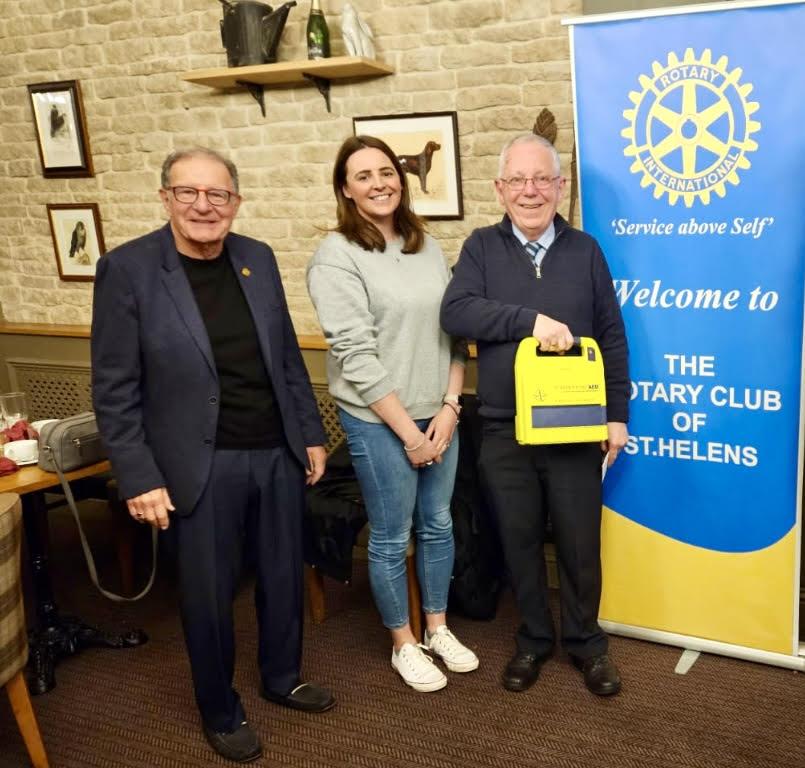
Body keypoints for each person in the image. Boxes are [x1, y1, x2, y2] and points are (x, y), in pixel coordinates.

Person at [91, 147, 335, 763]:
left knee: (283, 578)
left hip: (275, 450)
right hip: (196, 465)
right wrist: (138, 476)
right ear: (166, 197)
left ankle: (282, 678)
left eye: (218, 194)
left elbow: (284, 358)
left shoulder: (258, 257)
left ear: (236, 202)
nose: (204, 205)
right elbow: (113, 388)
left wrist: (309, 433)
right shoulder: (128, 269)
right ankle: (220, 710)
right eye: (189, 193)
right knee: (208, 594)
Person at [440, 134, 629, 697]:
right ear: (499, 189)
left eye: (542, 179)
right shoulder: (479, 248)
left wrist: (616, 415)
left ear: (560, 187)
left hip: (577, 428)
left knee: (578, 543)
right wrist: (531, 321)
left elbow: (612, 337)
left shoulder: (586, 251)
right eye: (518, 180)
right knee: (518, 540)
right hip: (503, 427)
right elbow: (456, 311)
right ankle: (532, 641)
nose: (530, 191)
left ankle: (587, 644)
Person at [306, 135, 479, 693]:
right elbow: (354, 355)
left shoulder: (423, 244)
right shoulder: (336, 256)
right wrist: (409, 434)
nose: (379, 182)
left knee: (439, 523)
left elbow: (456, 329)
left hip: (439, 413)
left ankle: (437, 628)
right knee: (390, 534)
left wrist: (452, 406)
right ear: (344, 190)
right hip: (380, 420)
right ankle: (403, 642)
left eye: (387, 171)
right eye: (363, 176)